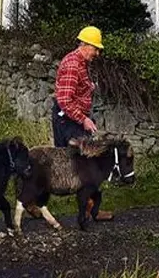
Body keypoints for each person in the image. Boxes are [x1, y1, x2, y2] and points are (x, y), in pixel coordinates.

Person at [52, 25, 113, 221]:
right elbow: (65, 100)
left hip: (73, 119)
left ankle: (90, 209)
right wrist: (84, 119)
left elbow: (74, 90)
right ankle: (31, 200)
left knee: (84, 165)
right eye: (95, 48)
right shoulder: (72, 64)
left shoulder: (80, 63)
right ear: (85, 45)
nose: (97, 53)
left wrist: (89, 87)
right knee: (84, 165)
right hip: (68, 122)